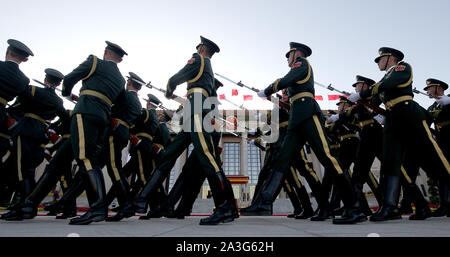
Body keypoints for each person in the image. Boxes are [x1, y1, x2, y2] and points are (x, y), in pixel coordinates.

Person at [242, 42, 367, 224]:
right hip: (296, 117)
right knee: (282, 159)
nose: (287, 59)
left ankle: (354, 207)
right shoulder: (295, 72)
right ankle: (265, 201)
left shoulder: (301, 64)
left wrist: (267, 90)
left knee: (327, 157)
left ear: (296, 54)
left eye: (288, 55)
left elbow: (285, 80)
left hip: (308, 114)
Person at [348, 47, 450, 221]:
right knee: (390, 161)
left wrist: (361, 94)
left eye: (380, 59)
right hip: (393, 119)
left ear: (391, 58)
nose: (378, 62)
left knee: (433, 158)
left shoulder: (402, 68)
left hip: (409, 115)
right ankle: (390, 207)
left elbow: (389, 84)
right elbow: (373, 100)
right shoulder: (383, 80)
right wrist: (360, 102)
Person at [61, 41, 127, 225]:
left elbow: (69, 79)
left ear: (106, 52)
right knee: (92, 161)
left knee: (85, 159)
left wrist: (67, 95)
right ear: (120, 60)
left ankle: (97, 208)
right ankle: (98, 208)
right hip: (103, 117)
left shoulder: (95, 62)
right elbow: (120, 103)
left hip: (86, 110)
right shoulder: (121, 79)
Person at [1, 68, 68, 220]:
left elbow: (17, 107)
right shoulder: (58, 101)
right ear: (58, 83)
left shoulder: (32, 90)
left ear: (46, 79)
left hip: (25, 130)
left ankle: (23, 207)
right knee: (29, 170)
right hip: (41, 134)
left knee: (20, 170)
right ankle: (29, 207)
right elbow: (64, 117)